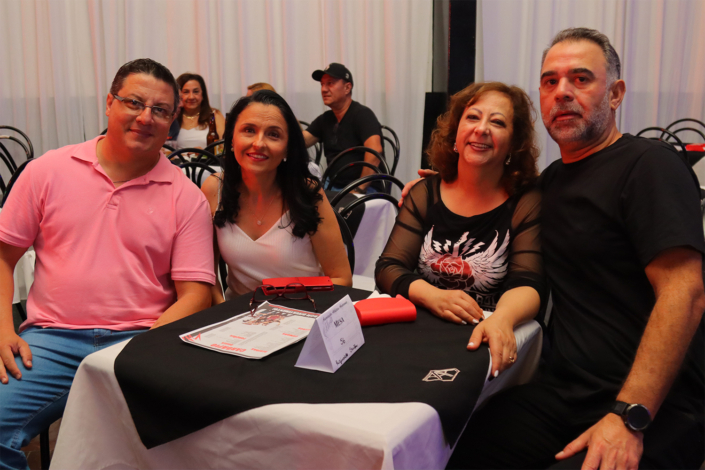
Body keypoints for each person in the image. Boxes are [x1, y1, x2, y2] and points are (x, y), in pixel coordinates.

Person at [444, 27, 705, 469]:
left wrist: (629, 415)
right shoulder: (549, 185)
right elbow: (489, 209)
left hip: (655, 407)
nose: (562, 92)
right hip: (564, 393)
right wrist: (442, 189)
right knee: (449, 446)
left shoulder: (648, 165)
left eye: (580, 79)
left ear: (616, 94)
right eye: (550, 81)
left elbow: (686, 293)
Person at [0, 58, 214, 469]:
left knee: (189, 443)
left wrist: (144, 349)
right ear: (109, 103)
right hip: (52, 340)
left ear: (172, 121)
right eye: (134, 102)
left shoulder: (185, 197)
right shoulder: (47, 171)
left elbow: (195, 295)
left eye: (160, 110)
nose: (145, 117)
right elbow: (3, 256)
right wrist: (3, 329)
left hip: (140, 339)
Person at [375, 82, 544, 378]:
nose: (482, 129)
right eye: (473, 117)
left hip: (483, 338)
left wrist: (503, 319)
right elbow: (388, 266)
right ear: (456, 134)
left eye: (497, 122)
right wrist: (432, 296)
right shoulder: (425, 193)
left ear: (513, 144)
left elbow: (528, 282)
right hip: (418, 334)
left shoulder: (525, 202)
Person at [200, 90, 352, 303]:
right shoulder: (214, 189)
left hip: (302, 310)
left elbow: (341, 278)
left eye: (273, 134)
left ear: (288, 148)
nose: (259, 143)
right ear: (232, 138)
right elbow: (206, 275)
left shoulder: (307, 192)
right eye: (249, 130)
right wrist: (222, 312)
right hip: (238, 315)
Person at [302, 63, 384, 192]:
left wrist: (359, 188)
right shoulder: (326, 118)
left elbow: (375, 150)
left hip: (366, 187)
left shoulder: (362, 114)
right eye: (322, 84)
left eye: (330, 83)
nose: (324, 89)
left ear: (347, 88)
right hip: (333, 185)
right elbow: (301, 141)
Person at [169, 73, 225, 149]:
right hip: (177, 157)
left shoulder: (214, 115)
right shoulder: (172, 116)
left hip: (207, 156)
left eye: (196, 92)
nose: (191, 97)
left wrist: (203, 152)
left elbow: (222, 147)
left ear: (203, 94)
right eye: (186, 92)